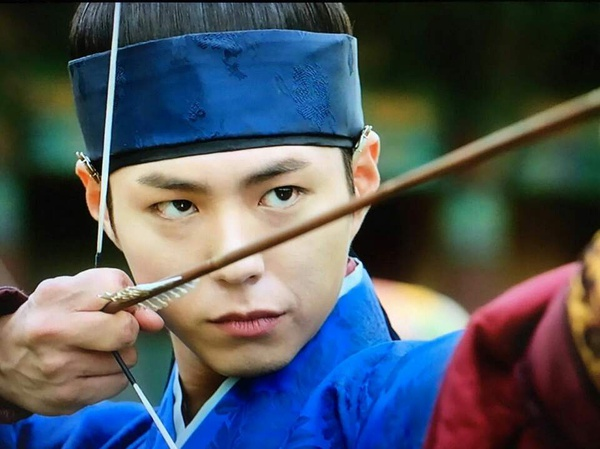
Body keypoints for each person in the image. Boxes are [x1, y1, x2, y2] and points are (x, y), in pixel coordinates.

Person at [0, 3, 598, 448]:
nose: (238, 263)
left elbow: (516, 377)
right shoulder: (80, 437)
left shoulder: (401, 409)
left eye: (282, 194)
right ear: (100, 203)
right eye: (178, 205)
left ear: (362, 179)